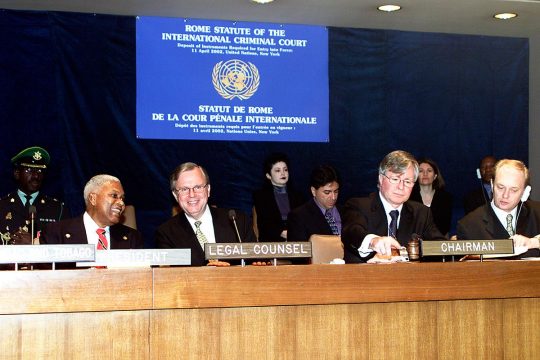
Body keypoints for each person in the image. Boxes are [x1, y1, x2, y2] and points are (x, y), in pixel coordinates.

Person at [341, 150, 445, 263]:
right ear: (381, 179)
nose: (401, 187)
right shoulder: (359, 206)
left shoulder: (421, 213)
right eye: (395, 179)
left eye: (407, 181)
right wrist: (373, 241)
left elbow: (439, 247)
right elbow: (352, 232)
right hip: (366, 278)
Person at [155, 162, 256, 266]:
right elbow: (171, 275)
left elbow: (255, 261)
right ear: (175, 195)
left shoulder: (238, 221)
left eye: (198, 187)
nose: (192, 194)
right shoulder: (166, 233)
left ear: (208, 190)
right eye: (184, 189)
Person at [457, 159, 540, 258]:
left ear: (525, 192)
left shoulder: (537, 212)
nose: (505, 195)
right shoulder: (469, 225)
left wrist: (534, 242)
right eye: (500, 187)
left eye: (513, 190)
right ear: (492, 185)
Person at [40, 174, 143, 248]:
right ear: (93, 199)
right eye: (114, 196)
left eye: (122, 198)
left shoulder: (132, 238)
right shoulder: (56, 232)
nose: (121, 203)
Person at [0, 146, 69, 245]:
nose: (36, 176)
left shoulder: (58, 209)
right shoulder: (2, 206)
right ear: (17, 174)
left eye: (39, 171)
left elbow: (65, 246)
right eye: (29, 170)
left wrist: (35, 244)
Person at [253, 153, 304, 241]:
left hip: (296, 240)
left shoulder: (298, 196)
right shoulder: (261, 196)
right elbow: (265, 224)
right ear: (268, 175)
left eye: (285, 170)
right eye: (277, 170)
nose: (283, 173)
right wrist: (281, 232)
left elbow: (303, 220)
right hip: (272, 243)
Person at [287, 165, 341, 242]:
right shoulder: (299, 217)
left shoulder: (346, 211)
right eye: (327, 192)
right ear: (313, 191)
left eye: (336, 191)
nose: (333, 197)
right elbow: (299, 252)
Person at [409, 158, 453, 236]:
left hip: (438, 239)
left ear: (435, 176)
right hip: (414, 240)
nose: (425, 174)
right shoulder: (409, 197)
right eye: (421, 171)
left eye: (429, 171)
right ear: (415, 176)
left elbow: (445, 226)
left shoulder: (445, 198)